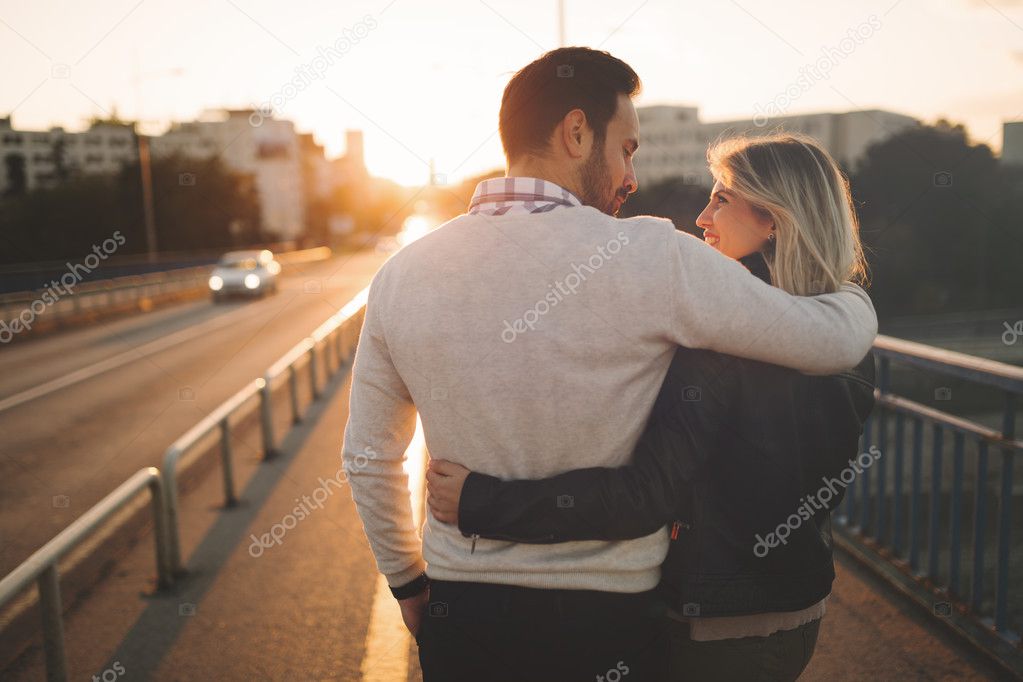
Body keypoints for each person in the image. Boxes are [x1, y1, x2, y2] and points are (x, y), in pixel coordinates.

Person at [341, 45, 877, 682]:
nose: (631, 175)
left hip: (466, 608)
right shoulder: (651, 256)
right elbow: (828, 343)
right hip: (612, 620)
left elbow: (369, 458)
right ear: (576, 132)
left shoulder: (402, 276)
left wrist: (408, 583)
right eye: (627, 148)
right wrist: (856, 296)